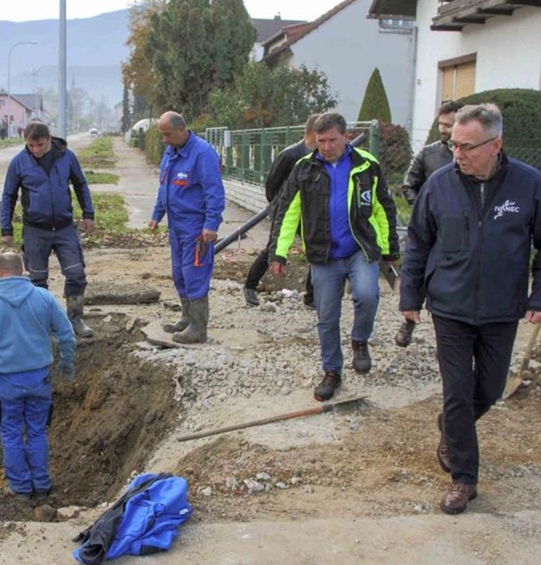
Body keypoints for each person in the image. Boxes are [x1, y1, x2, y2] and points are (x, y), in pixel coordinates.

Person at [399, 103, 541, 515]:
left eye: (468, 146)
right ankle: (464, 480)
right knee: (457, 392)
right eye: (454, 144)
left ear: (496, 144)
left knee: (489, 390)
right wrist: (410, 298)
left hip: (501, 307)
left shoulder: (529, 185)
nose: (458, 154)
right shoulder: (439, 185)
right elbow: (418, 242)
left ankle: (452, 429)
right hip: (450, 306)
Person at [269, 112, 400, 402]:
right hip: (322, 254)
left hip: (360, 248)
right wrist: (278, 252)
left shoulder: (367, 165)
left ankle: (359, 340)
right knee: (327, 317)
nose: (326, 147)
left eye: (332, 140)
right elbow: (287, 211)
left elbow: (384, 207)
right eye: (320, 141)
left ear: (345, 137)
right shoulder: (304, 168)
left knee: (367, 295)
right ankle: (332, 371)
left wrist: (390, 250)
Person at [0, 251, 77, 502]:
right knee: (37, 431)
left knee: (11, 433)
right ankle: (41, 484)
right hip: (40, 379)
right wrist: (67, 363)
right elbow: (66, 334)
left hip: (7, 383)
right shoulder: (43, 298)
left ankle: (20, 489)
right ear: (23, 270)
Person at [1, 121, 96, 338]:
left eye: (40, 145)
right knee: (37, 280)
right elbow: (8, 196)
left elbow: (80, 184)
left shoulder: (67, 157)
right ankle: (41, 322)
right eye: (31, 146)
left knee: (76, 273)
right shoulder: (19, 162)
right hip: (35, 229)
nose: (35, 150)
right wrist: (6, 229)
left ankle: (75, 318)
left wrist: (88, 214)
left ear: (49, 139)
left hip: (64, 227)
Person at [148, 111, 226, 344]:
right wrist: (156, 215)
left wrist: (211, 224)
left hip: (196, 228)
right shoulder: (171, 152)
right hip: (176, 226)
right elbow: (165, 188)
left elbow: (214, 191)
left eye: (167, 134)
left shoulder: (202, 154)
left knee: (194, 274)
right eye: (162, 135)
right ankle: (187, 317)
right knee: (179, 274)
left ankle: (198, 328)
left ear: (182, 130)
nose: (164, 140)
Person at [394, 100, 463, 347]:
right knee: (417, 271)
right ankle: (409, 320)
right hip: (429, 228)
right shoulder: (429, 153)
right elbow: (408, 185)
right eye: (441, 124)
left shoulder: (469, 155)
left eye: (448, 125)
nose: (443, 129)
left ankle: (448, 336)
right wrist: (422, 208)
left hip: (458, 231)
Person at [243, 114, 319, 308]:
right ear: (311, 132)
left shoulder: (321, 157)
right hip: (286, 209)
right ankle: (250, 285)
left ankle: (311, 297)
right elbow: (271, 184)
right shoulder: (290, 154)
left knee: (315, 250)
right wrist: (279, 205)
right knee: (273, 249)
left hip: (310, 212)